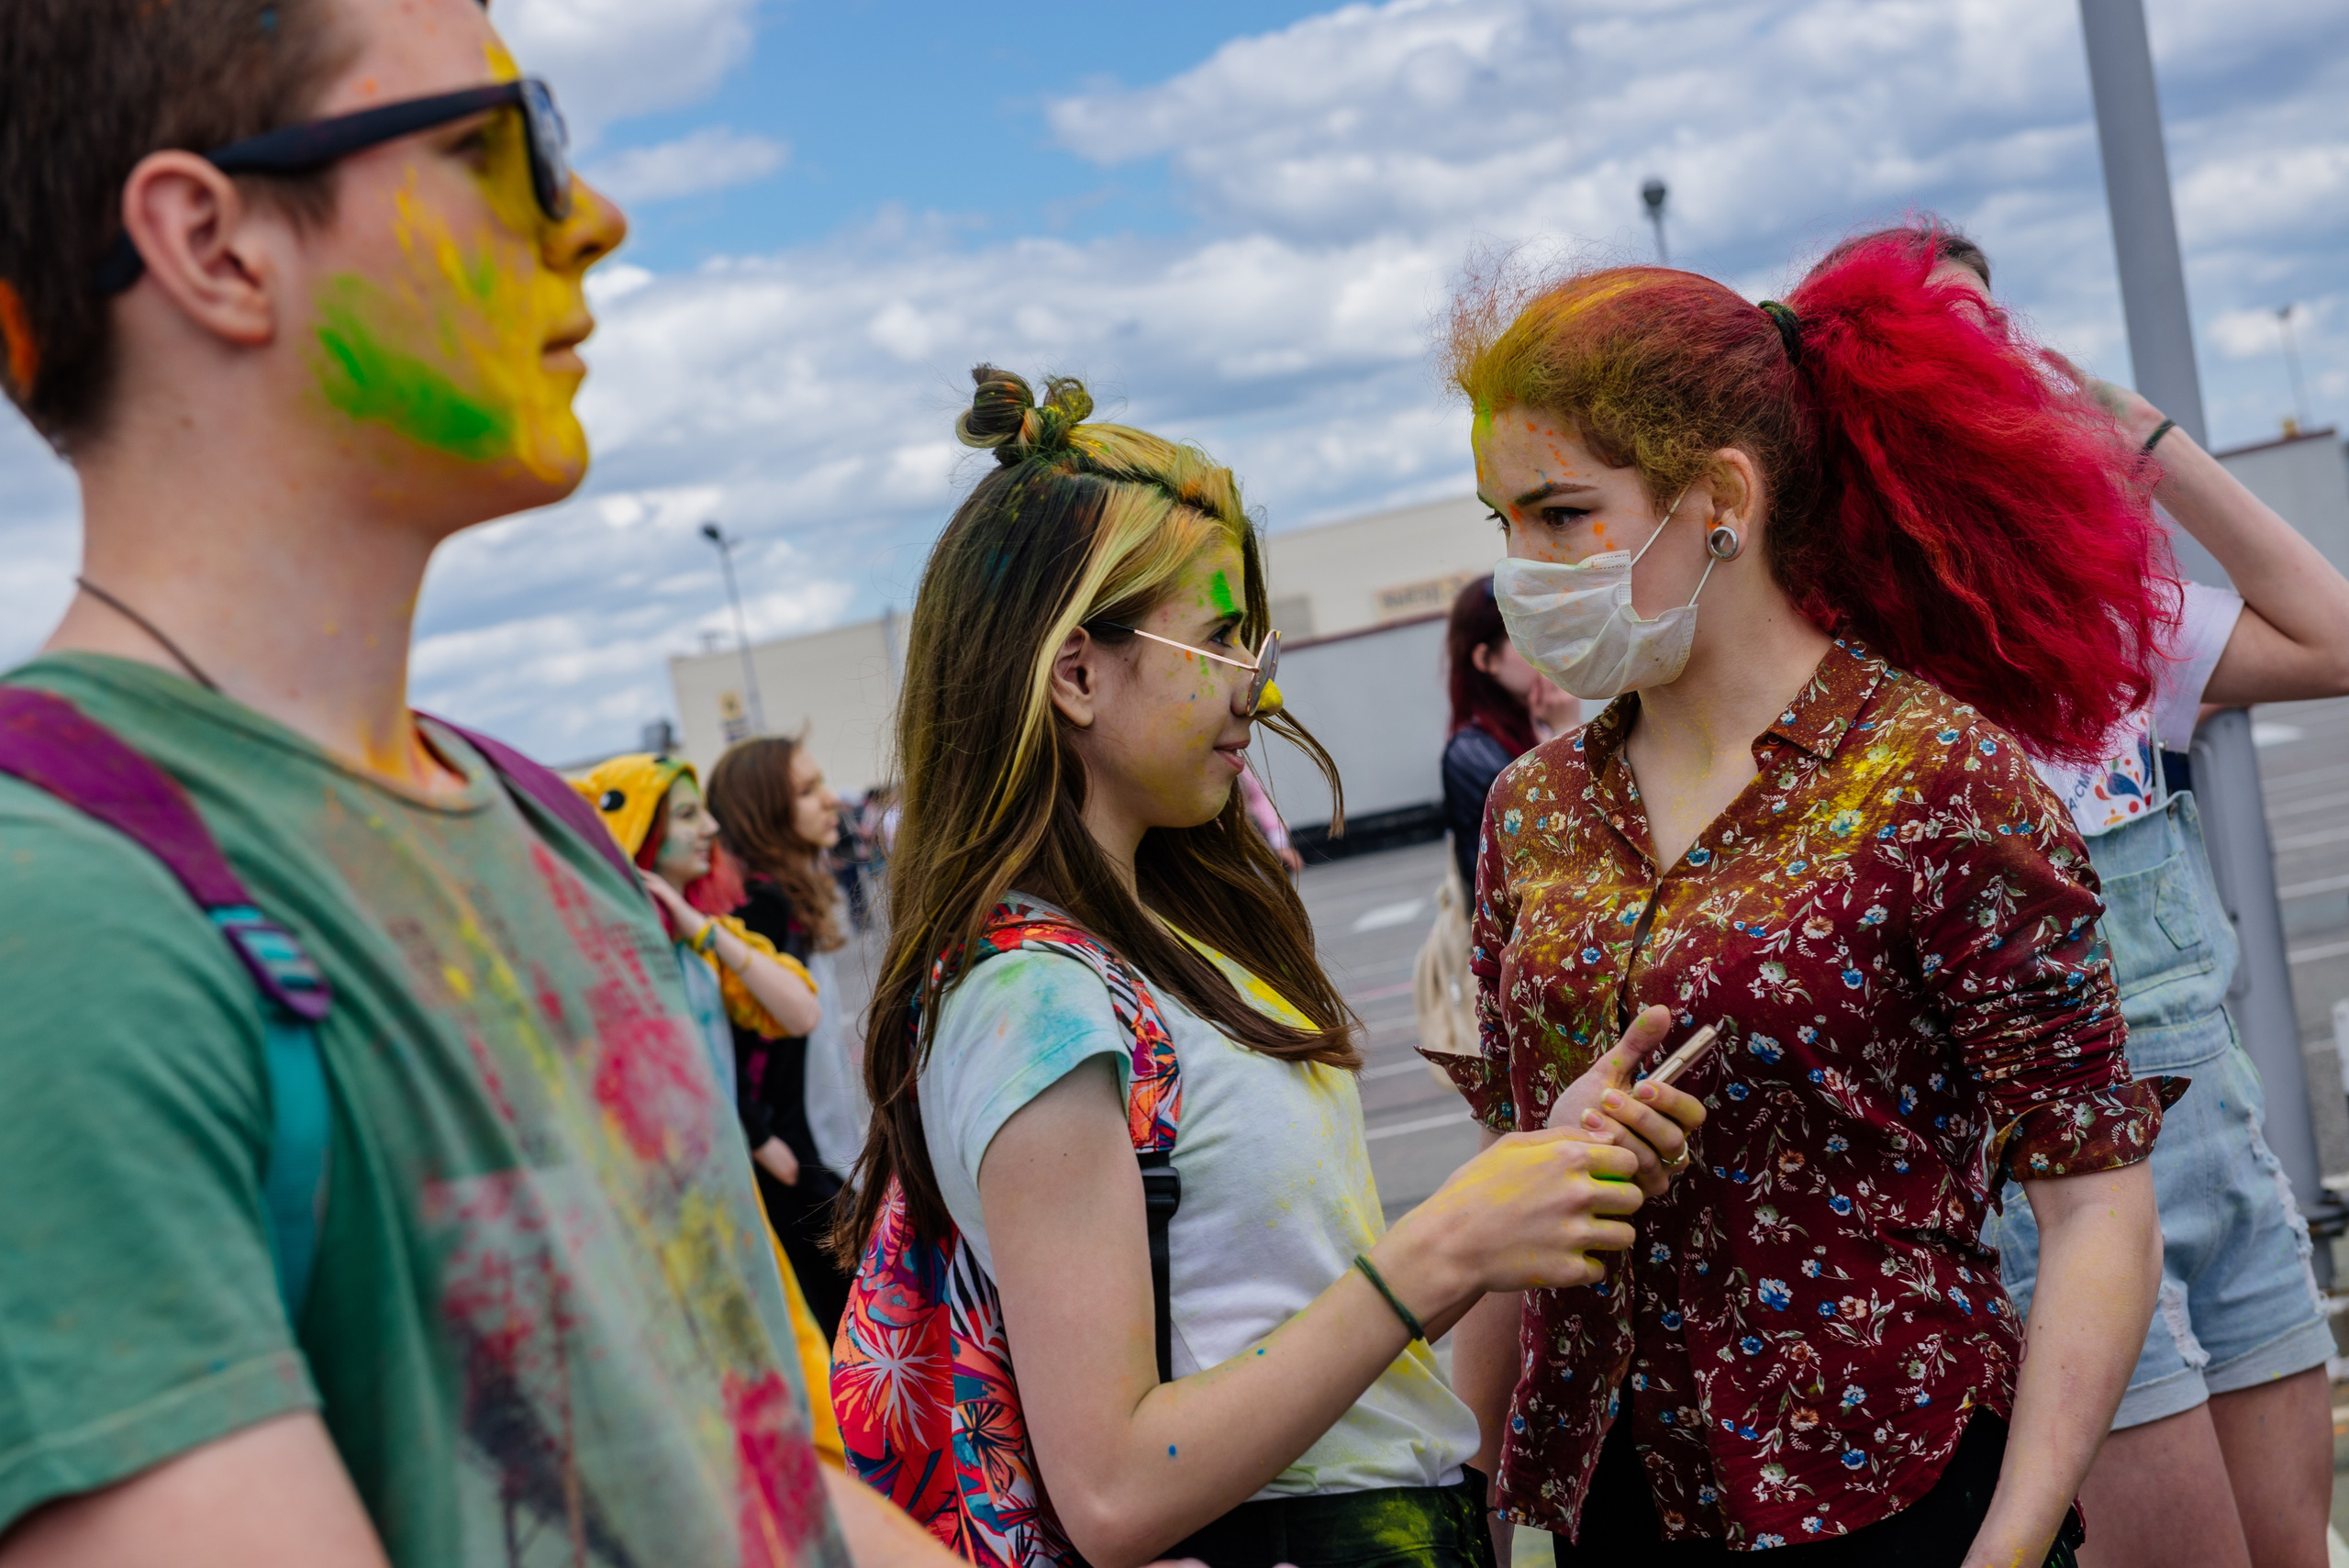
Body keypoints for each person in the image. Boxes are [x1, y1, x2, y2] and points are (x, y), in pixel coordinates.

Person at [0, 3, 975, 1562]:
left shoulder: (537, 825)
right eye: (501, 146)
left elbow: (748, 1495)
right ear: (213, 242)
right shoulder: (62, 923)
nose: (592, 217)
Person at [829, 366, 1708, 1568]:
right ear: (1077, 672)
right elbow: (1118, 1490)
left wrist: (1531, 1178)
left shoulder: (1166, 941)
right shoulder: (1029, 997)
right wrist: (1443, 1243)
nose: (1262, 679)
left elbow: (1296, 1322)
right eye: (1222, 636)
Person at [1434, 236, 2183, 1566]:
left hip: (1896, 1503)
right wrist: (1458, 1487)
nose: (1522, 570)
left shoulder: (1941, 779)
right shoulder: (1530, 813)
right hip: (1612, 1506)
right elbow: (1508, 1188)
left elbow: (2097, 1204)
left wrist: (2007, 1548)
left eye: (1559, 515)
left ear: (1720, 495)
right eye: (1503, 525)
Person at [1863, 224, 2349, 1568]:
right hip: (2060, 1199)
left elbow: (2332, 635)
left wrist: (2139, 434)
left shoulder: (2093, 609)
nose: (1996, 359)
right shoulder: (1857, 653)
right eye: (1947, 333)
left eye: (1997, 327)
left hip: (2222, 1152)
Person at [707, 734, 865, 1338]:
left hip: (820, 1166)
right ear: (764, 812)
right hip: (796, 1176)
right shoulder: (762, 910)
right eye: (806, 790)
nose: (829, 800)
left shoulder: (790, 898)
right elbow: (724, 1051)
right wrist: (764, 1137)